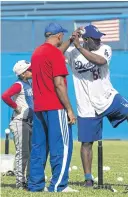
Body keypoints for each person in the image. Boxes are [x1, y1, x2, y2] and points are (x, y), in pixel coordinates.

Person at [60, 25, 128, 186]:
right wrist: (70, 40)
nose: (99, 41)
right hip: (86, 104)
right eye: (95, 38)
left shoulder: (105, 49)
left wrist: (78, 47)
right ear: (86, 39)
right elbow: (55, 53)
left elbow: (100, 61)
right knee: (87, 143)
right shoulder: (72, 52)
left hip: (108, 96)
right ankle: (88, 178)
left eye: (99, 38)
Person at [28, 23, 77, 192]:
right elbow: (59, 84)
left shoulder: (37, 52)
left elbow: (54, 54)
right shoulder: (55, 54)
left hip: (39, 108)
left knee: (38, 147)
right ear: (58, 36)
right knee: (62, 146)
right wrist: (69, 109)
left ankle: (35, 185)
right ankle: (58, 185)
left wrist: (70, 41)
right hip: (55, 107)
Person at [1, 60, 33, 190]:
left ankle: (29, 180)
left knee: (30, 153)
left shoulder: (28, 83)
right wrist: (16, 107)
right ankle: (20, 182)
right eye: (29, 70)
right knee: (23, 153)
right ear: (23, 74)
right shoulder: (19, 84)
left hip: (29, 122)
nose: (32, 71)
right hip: (20, 122)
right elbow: (5, 96)